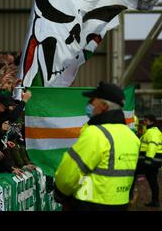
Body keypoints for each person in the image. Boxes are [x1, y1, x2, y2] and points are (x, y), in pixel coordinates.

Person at [54, 81, 140, 211]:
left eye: (92, 100)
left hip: (88, 205)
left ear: (104, 106)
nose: (89, 104)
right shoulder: (131, 137)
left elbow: (68, 177)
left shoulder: (96, 133)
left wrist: (60, 194)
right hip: (121, 204)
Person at [132, 114, 162, 207]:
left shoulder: (152, 132)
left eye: (145, 120)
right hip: (153, 161)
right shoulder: (151, 131)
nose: (144, 122)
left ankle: (129, 197)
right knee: (152, 180)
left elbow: (152, 146)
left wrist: (148, 161)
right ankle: (155, 201)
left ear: (151, 121)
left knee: (133, 175)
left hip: (150, 161)